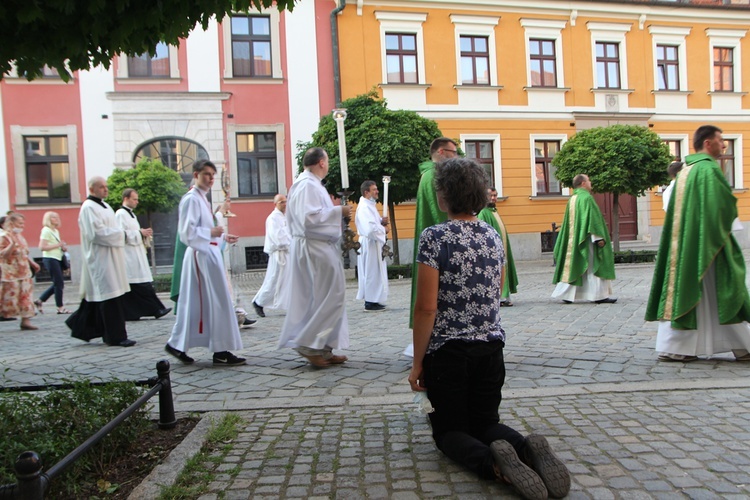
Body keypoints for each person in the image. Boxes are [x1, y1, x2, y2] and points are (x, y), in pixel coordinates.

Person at [409, 158, 570, 499]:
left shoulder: (434, 237)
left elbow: (425, 307)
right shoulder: (492, 235)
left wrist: (417, 363)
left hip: (449, 352)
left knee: (449, 432)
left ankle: (493, 465)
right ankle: (526, 448)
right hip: (491, 348)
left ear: (443, 196)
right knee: (485, 422)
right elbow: (495, 291)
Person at [646, 125, 750, 362]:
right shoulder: (708, 169)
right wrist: (726, 231)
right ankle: (742, 346)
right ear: (707, 143)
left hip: (686, 245)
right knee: (726, 290)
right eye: (720, 140)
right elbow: (721, 204)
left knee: (698, 292)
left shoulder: (685, 171)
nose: (724, 145)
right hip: (709, 241)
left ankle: (678, 347)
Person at [165, 160, 246, 366]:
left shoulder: (203, 199)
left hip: (208, 254)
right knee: (211, 302)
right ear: (195, 175)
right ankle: (217, 349)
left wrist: (223, 236)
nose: (210, 178)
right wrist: (211, 233)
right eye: (206, 174)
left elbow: (207, 229)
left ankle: (185, 344)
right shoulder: (191, 199)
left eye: (212, 175)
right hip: (200, 257)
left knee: (207, 304)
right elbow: (186, 233)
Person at [277, 147, 349, 368]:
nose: (328, 165)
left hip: (315, 245)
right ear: (321, 163)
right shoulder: (307, 185)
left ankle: (324, 347)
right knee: (333, 295)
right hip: (315, 246)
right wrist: (340, 212)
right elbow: (310, 219)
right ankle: (309, 344)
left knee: (320, 298)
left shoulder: (309, 184)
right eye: (327, 161)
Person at [65, 177, 137, 347]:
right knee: (108, 297)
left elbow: (112, 229)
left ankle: (82, 327)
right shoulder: (88, 207)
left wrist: (121, 235)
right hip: (100, 259)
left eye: (106, 187)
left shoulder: (105, 206)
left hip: (112, 256)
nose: (105, 189)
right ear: (92, 189)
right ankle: (115, 336)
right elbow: (97, 234)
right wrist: (123, 235)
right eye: (101, 187)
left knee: (108, 297)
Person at [409, 137, 459, 328]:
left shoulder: (430, 175)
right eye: (452, 152)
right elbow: (440, 212)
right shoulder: (434, 176)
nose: (455, 157)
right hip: (439, 246)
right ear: (440, 152)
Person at [551, 174, 617, 304]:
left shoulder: (573, 199)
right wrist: (598, 238)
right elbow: (592, 220)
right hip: (588, 240)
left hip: (575, 239)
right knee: (593, 265)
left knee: (575, 265)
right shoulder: (587, 198)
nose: (591, 183)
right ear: (583, 183)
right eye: (589, 180)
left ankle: (567, 294)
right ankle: (599, 295)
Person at [115, 189, 171, 321]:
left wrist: (144, 233)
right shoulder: (120, 214)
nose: (137, 202)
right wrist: (140, 233)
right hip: (129, 255)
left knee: (142, 284)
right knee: (139, 286)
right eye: (134, 199)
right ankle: (156, 309)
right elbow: (120, 234)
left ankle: (154, 310)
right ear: (126, 198)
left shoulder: (132, 215)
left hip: (137, 253)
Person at [0, 213, 41, 330]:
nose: (22, 225)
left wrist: (32, 263)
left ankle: (25, 321)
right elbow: (3, 255)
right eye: (20, 223)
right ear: (12, 223)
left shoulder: (20, 236)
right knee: (8, 297)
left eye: (23, 223)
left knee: (26, 296)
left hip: (24, 270)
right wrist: (11, 245)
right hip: (10, 272)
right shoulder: (4, 236)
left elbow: (23, 252)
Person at [252, 194, 290, 318]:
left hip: (287, 253)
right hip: (279, 254)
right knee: (274, 279)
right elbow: (278, 238)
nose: (284, 204)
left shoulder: (285, 217)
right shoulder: (273, 218)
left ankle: (292, 305)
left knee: (289, 280)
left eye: (285, 201)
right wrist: (289, 242)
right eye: (281, 202)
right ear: (275, 204)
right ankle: (259, 302)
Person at [478, 187, 518, 306]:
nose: (493, 198)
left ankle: (504, 296)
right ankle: (499, 297)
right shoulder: (483, 213)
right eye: (491, 195)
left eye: (495, 195)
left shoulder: (493, 211)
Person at [355, 180, 389, 312]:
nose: (377, 191)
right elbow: (369, 229)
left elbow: (373, 223)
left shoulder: (370, 205)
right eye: (374, 189)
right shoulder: (364, 207)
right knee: (370, 272)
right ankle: (369, 301)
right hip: (369, 243)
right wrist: (383, 229)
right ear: (366, 192)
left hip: (374, 243)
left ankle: (374, 299)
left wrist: (381, 221)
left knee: (375, 272)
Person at [34, 211, 70, 314]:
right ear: (48, 219)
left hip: (57, 258)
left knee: (58, 283)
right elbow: (42, 247)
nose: (56, 219)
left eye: (57, 217)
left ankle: (40, 300)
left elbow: (56, 245)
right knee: (59, 283)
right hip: (50, 258)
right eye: (53, 217)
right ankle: (60, 307)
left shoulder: (55, 231)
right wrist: (58, 245)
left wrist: (62, 247)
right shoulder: (46, 230)